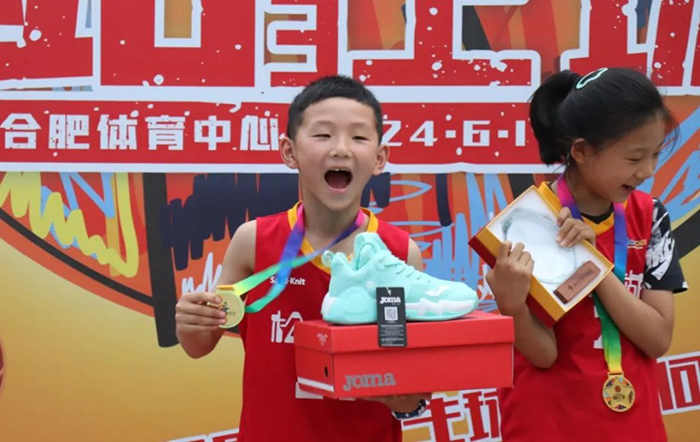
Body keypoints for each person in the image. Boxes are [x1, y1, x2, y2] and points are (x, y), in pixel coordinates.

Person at [175, 75, 429, 441]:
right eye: (323, 135)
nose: (341, 149)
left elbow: (413, 392)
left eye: (358, 137)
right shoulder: (253, 241)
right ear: (289, 151)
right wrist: (191, 322)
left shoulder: (401, 252)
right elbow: (199, 345)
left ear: (379, 158)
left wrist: (405, 399)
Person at [487, 67, 687, 441]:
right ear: (580, 151)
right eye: (634, 159)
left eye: (656, 155)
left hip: (633, 424)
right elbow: (544, 355)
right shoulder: (530, 222)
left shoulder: (651, 216)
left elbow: (658, 339)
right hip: (550, 425)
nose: (647, 171)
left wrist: (595, 265)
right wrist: (512, 308)